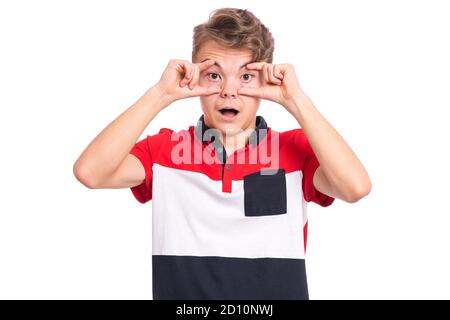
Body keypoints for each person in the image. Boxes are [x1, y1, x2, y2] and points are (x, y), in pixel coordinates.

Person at [73, 7, 371, 300]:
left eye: (245, 77)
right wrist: (160, 94)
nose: (229, 90)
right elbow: (91, 172)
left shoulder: (296, 150)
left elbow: (355, 188)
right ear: (195, 77)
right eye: (214, 75)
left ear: (265, 79)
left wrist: (296, 100)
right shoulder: (163, 152)